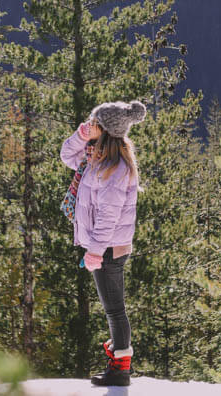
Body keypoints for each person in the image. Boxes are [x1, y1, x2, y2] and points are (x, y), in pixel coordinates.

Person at [60, 99, 147, 387]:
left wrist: (95, 251)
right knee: (113, 307)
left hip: (109, 249)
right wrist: (79, 135)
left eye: (94, 123)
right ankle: (118, 363)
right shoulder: (93, 159)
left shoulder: (115, 168)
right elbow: (65, 155)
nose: (90, 126)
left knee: (115, 309)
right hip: (103, 247)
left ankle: (121, 368)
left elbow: (109, 216)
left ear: (106, 131)